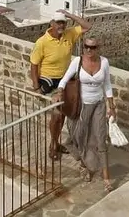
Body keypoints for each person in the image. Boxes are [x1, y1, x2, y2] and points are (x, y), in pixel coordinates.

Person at [55, 37, 117, 193]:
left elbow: (107, 85)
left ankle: (106, 178)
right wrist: (59, 92)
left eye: (93, 47)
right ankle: (85, 164)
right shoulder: (77, 61)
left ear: (98, 48)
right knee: (80, 137)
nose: (89, 50)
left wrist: (112, 106)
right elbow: (64, 80)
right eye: (86, 47)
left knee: (100, 139)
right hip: (82, 106)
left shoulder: (104, 62)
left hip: (99, 105)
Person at [29, 9, 92, 160]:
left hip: (65, 80)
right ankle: (53, 145)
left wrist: (69, 15)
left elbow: (87, 26)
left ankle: (56, 143)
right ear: (51, 23)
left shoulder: (69, 34)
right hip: (49, 81)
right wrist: (36, 86)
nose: (61, 25)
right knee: (57, 115)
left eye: (63, 22)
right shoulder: (42, 42)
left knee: (63, 113)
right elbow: (34, 65)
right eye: (58, 22)